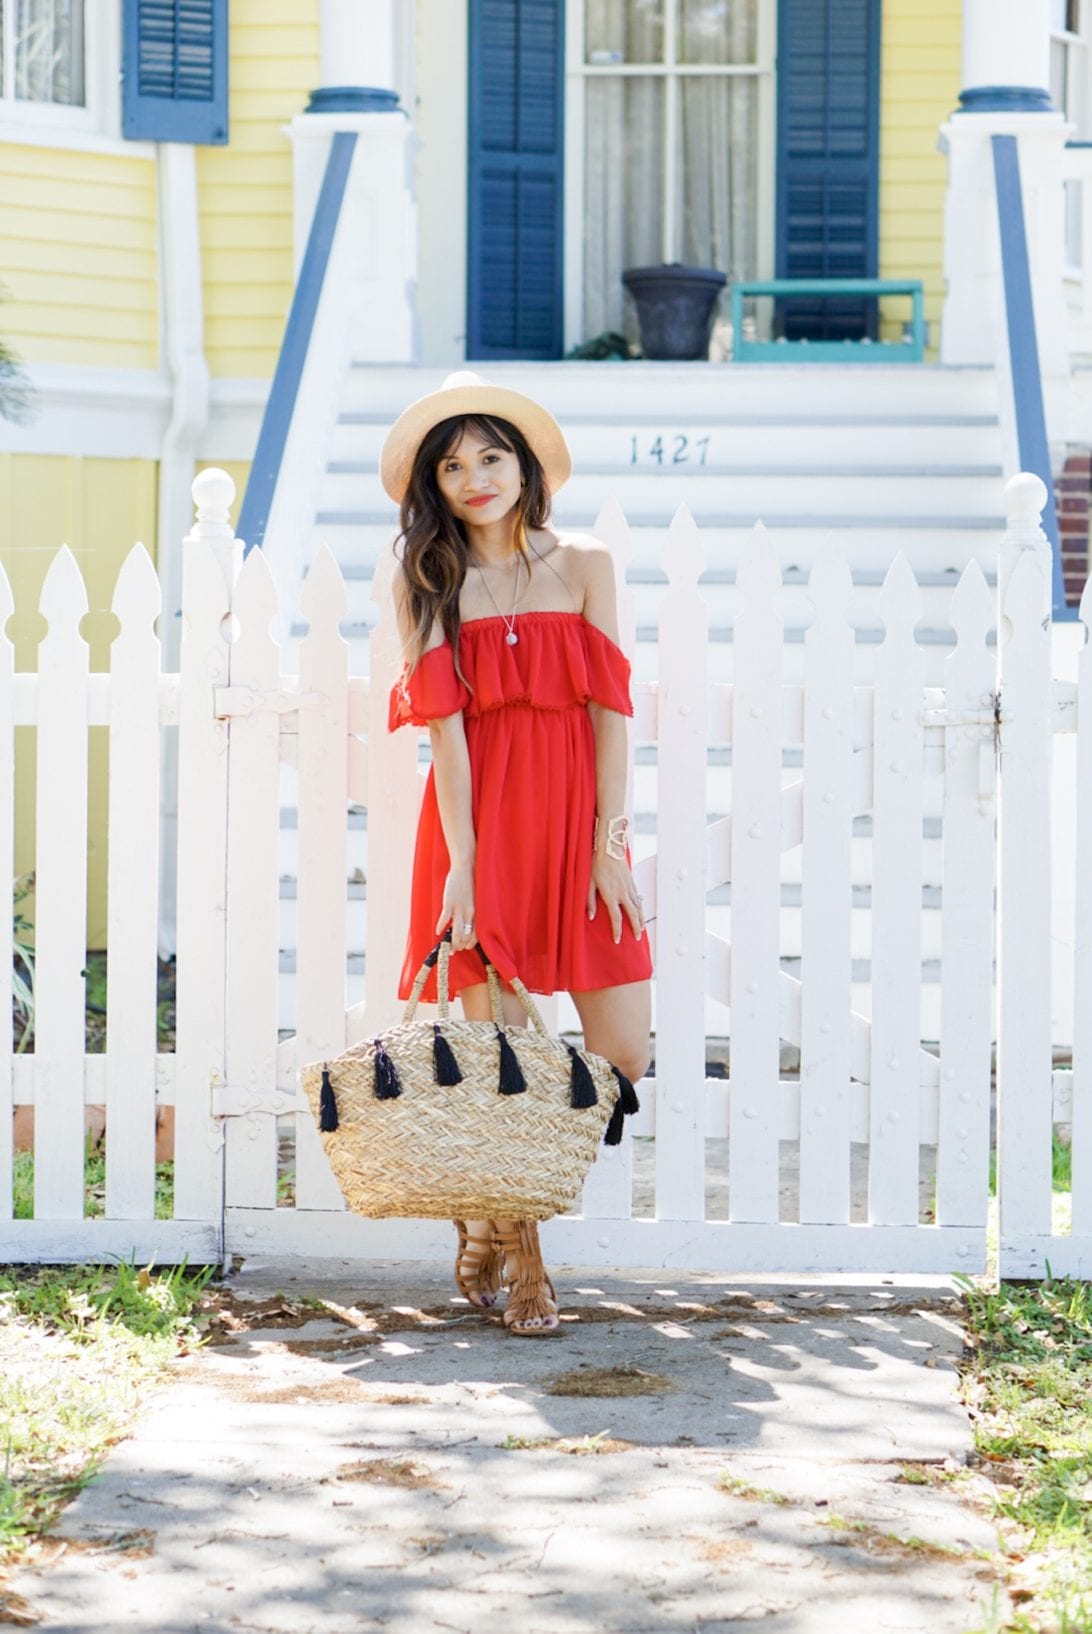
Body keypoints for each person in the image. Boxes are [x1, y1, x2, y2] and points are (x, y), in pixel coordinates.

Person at [381, 371, 652, 1336]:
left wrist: (608, 845)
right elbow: (444, 737)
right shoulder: (428, 578)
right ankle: (528, 1264)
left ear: (524, 464)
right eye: (452, 465)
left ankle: (492, 1218)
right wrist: (463, 865)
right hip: (476, 836)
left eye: (490, 455)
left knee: (622, 1048)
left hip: (575, 831)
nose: (475, 477)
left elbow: (611, 711)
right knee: (501, 1065)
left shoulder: (585, 563)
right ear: (435, 487)